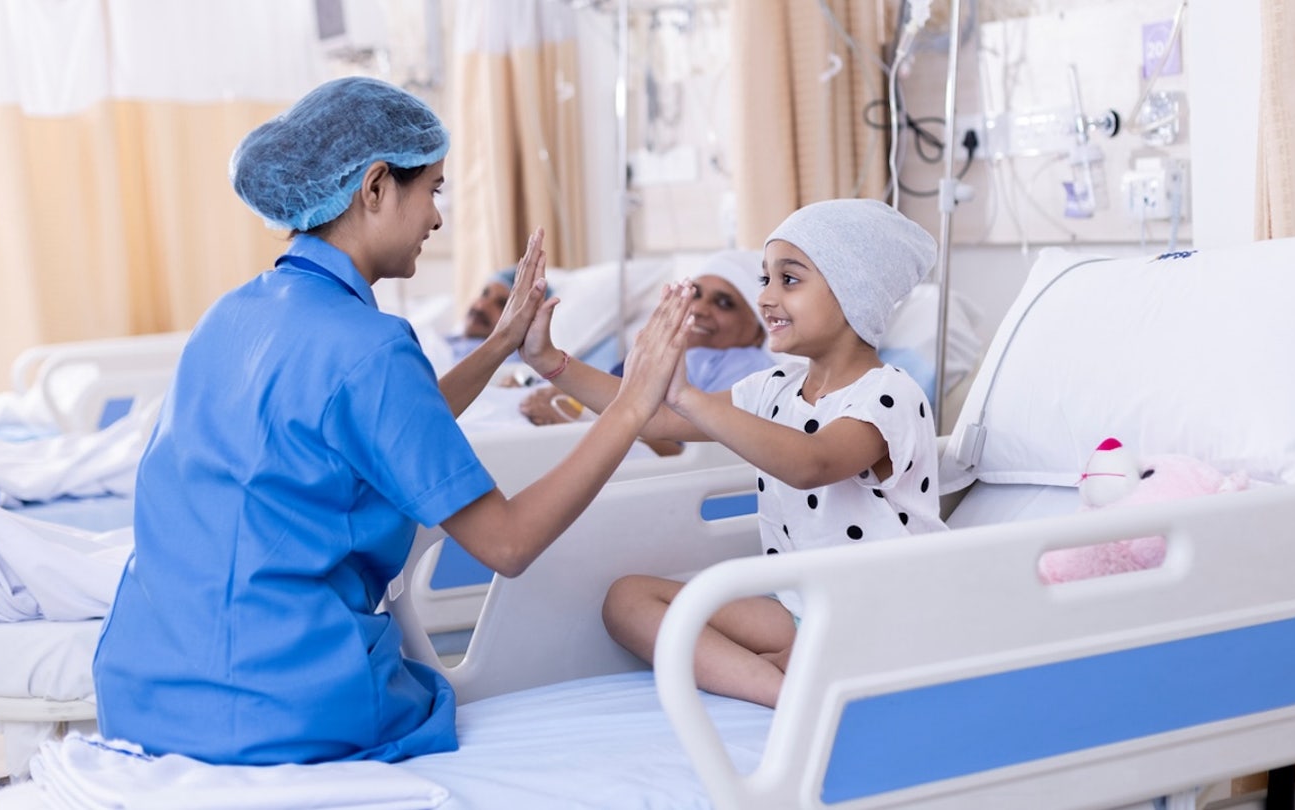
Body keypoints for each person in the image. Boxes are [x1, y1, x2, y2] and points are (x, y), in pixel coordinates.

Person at [91, 76, 693, 766]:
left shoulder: (233, 315)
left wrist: (500, 346)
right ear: (375, 187)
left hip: (145, 692)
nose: (438, 218)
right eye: (433, 190)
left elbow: (385, 424)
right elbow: (507, 545)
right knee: (424, 696)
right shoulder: (369, 345)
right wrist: (633, 403)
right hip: (280, 707)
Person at [520, 198, 948, 709]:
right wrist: (551, 362)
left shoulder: (889, 395)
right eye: (764, 279)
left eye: (789, 280)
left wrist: (688, 397)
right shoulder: (774, 388)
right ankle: (786, 685)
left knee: (714, 620)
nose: (766, 297)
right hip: (799, 608)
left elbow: (812, 464)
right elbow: (649, 416)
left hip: (881, 613)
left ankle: (787, 683)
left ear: (856, 292)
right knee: (627, 601)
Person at [516, 251, 775, 455]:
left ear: (758, 328)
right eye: (695, 294)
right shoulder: (668, 350)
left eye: (724, 303)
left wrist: (580, 425)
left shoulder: (746, 369)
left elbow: (688, 451)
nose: (699, 309)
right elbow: (621, 389)